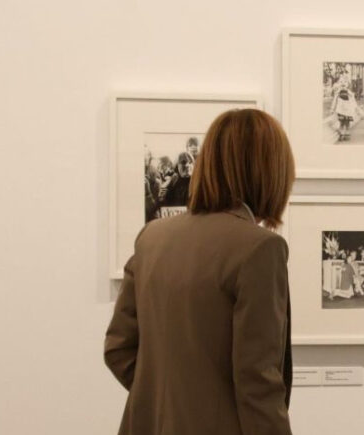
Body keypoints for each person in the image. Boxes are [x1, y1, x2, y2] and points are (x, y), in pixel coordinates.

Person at [105, 109, 295, 435]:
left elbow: (119, 349)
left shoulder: (152, 237)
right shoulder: (260, 248)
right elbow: (257, 379)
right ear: (270, 172)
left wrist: (169, 401)